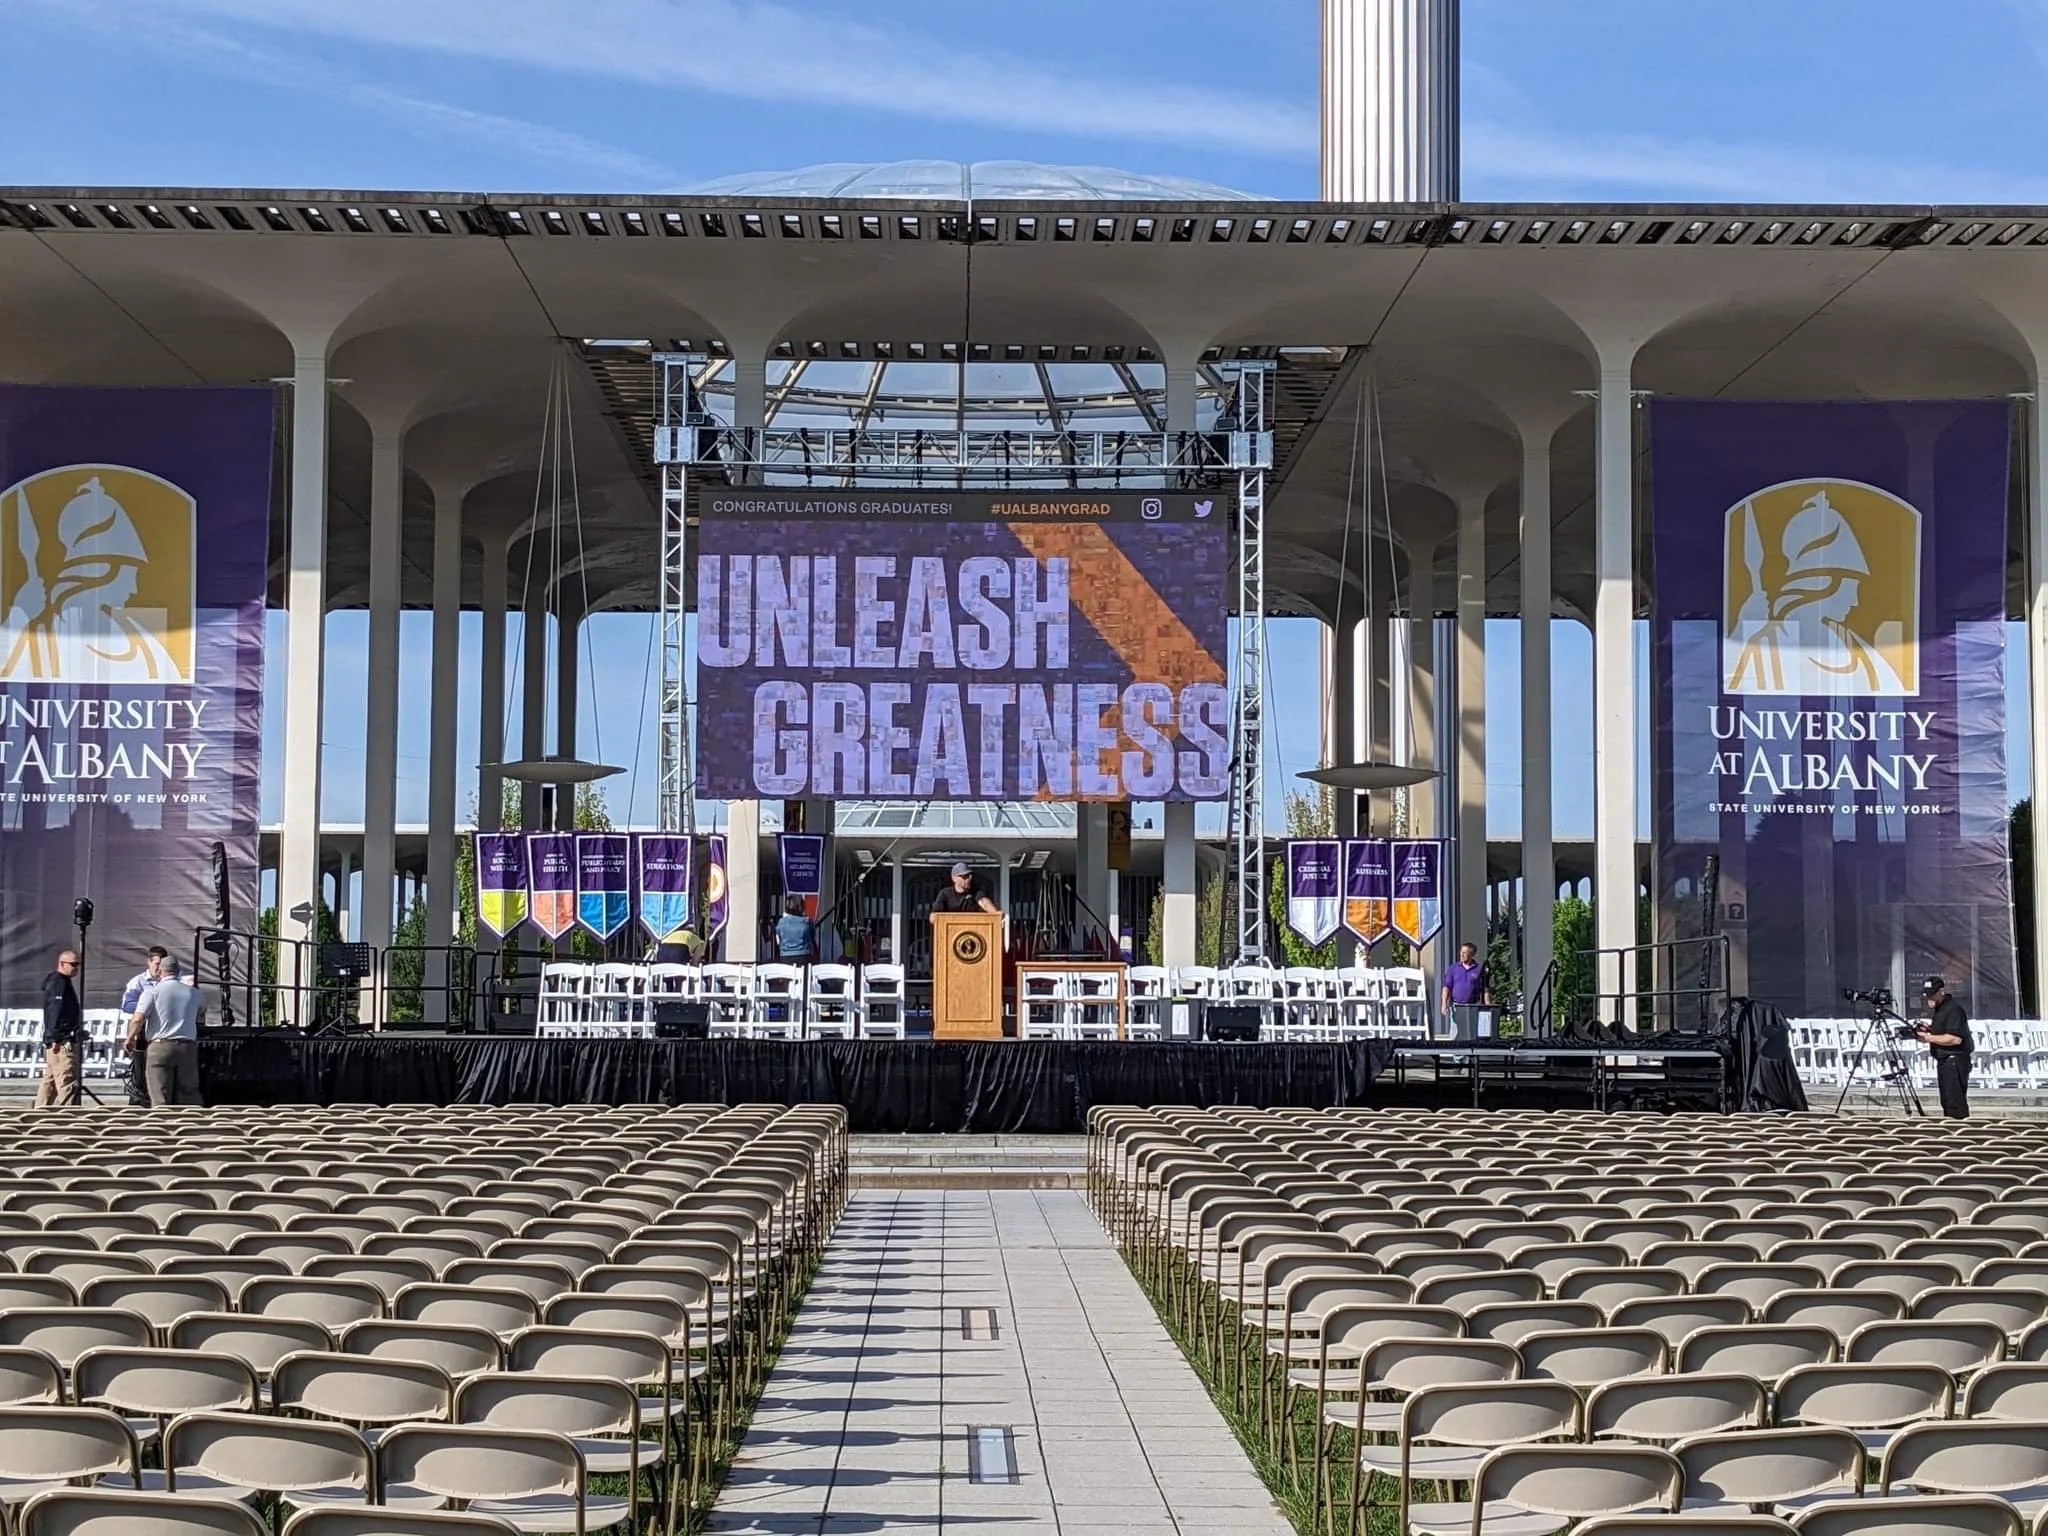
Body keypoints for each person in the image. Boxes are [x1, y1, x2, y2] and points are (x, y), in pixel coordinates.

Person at [125, 957, 204, 1107]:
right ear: (178, 971)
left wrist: (129, 1038)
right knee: (189, 1093)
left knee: (159, 1095)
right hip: (187, 1046)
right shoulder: (194, 993)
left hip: (160, 1045)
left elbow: (137, 1019)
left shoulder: (152, 992)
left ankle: (162, 1126)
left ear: (161, 971)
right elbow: (201, 1011)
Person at [1915, 975, 1973, 1119]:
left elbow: (1955, 1039)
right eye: (1927, 995)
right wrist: (1929, 1030)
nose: (1929, 998)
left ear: (1941, 991)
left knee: (1955, 1102)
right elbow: (1943, 1031)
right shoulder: (1940, 1010)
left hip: (1954, 1061)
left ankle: (1960, 1131)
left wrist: (1929, 1038)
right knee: (1946, 1101)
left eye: (1932, 995)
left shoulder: (1953, 1009)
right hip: (1944, 1060)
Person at [35, 949, 83, 1108]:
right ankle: (69, 1115)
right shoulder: (59, 983)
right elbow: (55, 1010)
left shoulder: (60, 982)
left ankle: (40, 1109)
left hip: (58, 1037)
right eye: (73, 964)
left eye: (78, 964)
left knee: (50, 1080)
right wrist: (54, 1037)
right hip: (61, 1040)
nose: (76, 968)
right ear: (62, 964)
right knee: (66, 1079)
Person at [1440, 941, 1490, 1018]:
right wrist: (1444, 1004)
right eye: (1461, 952)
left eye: (1465, 953)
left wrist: (1487, 1005)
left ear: (1471, 955)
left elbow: (1485, 988)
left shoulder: (1478, 969)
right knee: (1456, 1029)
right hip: (1456, 1006)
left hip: (1473, 1006)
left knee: (1471, 1028)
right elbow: (1446, 987)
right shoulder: (1453, 968)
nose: (1461, 955)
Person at [931, 862, 1000, 917]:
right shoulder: (945, 893)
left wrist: (996, 913)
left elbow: (984, 903)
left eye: (969, 876)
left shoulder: (975, 892)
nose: (968, 879)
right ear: (954, 878)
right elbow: (933, 916)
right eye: (964, 877)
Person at [774, 895, 815, 963]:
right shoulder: (807, 921)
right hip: (804, 955)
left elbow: (778, 936)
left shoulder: (781, 922)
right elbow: (812, 935)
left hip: (785, 955)